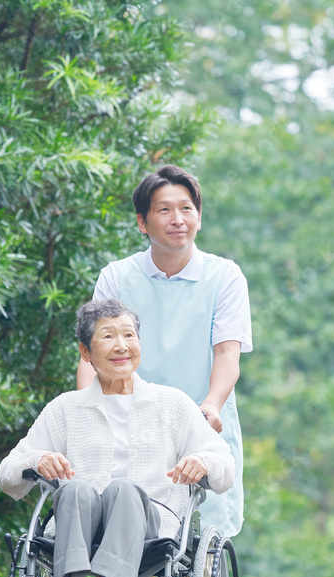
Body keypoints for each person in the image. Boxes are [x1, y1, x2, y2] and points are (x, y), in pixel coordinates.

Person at [0, 298, 235, 577]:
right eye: (108, 337)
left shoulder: (172, 404)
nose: (122, 345)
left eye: (129, 335)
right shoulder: (66, 408)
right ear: (85, 352)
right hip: (78, 526)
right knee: (75, 489)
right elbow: (8, 473)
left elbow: (223, 465)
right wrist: (38, 459)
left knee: (124, 489)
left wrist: (203, 462)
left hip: (151, 529)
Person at [77, 165, 252, 537]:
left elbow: (227, 354)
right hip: (128, 420)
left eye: (187, 209)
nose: (178, 220)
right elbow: (91, 357)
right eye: (164, 210)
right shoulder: (117, 278)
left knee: (199, 543)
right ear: (142, 222)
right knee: (122, 526)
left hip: (199, 424)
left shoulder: (224, 277)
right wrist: (85, 412)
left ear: (199, 217)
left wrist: (212, 405)